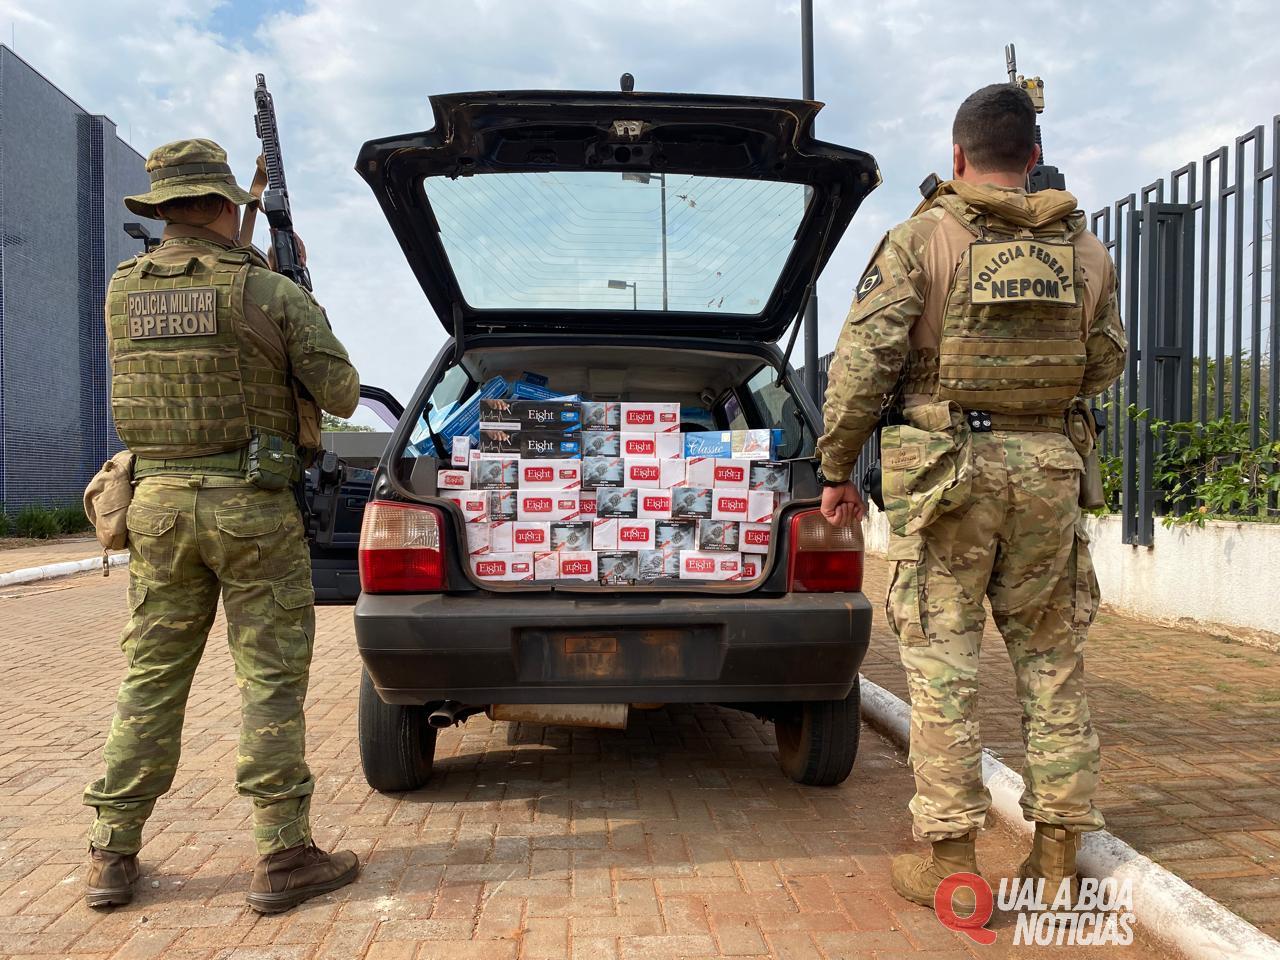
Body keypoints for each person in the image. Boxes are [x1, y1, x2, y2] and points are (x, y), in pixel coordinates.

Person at [814, 85, 1126, 918]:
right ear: (1033, 156)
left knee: (943, 667)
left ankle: (953, 864)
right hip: (1050, 471)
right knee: (1053, 662)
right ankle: (1056, 858)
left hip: (946, 476)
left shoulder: (921, 240)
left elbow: (863, 367)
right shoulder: (1088, 252)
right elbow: (1105, 363)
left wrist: (837, 467)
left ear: (958, 156)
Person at [83, 139, 363, 914]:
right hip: (251, 509)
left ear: (165, 207)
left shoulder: (122, 289)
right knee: (269, 679)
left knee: (149, 679)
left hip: (157, 506)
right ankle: (283, 854)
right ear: (220, 205)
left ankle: (111, 852)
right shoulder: (265, 290)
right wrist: (294, 287)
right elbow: (340, 392)